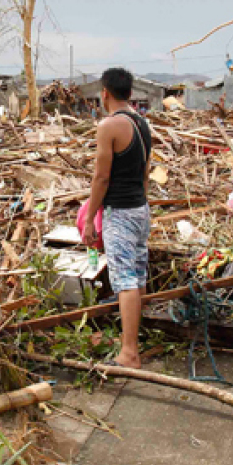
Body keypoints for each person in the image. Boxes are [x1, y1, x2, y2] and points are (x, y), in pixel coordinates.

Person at [81, 68, 152, 369]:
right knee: (138, 274)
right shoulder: (142, 123)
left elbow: (101, 177)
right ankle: (136, 336)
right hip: (140, 209)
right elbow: (145, 172)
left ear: (105, 93)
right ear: (130, 93)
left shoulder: (109, 126)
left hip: (119, 213)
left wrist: (89, 219)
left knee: (125, 280)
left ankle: (129, 352)